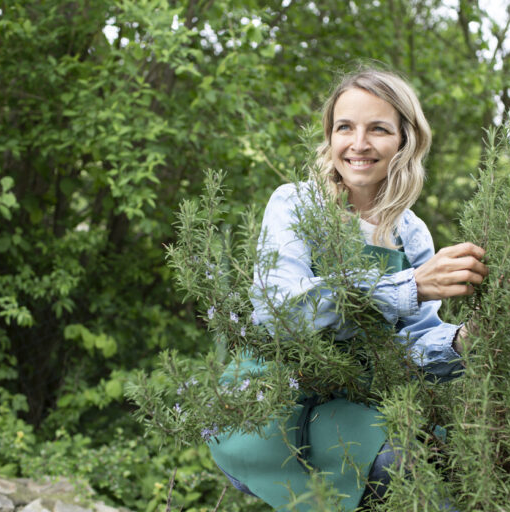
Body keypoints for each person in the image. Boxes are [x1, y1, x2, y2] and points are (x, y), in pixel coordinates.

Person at [208, 68, 488, 511]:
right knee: (394, 467)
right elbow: (281, 311)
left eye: (378, 128)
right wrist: (408, 286)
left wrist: (460, 342)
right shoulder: (295, 204)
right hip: (272, 400)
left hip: (348, 400)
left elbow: (408, 347)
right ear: (330, 137)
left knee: (439, 464)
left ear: (404, 141)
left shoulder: (411, 235)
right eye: (345, 127)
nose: (358, 144)